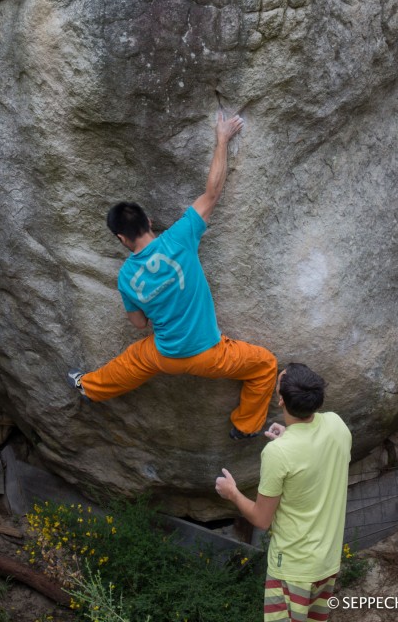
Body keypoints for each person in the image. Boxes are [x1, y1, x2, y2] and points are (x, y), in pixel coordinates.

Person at [67, 112, 277, 439]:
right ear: (149, 221)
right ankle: (245, 427)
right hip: (209, 353)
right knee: (264, 365)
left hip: (165, 356)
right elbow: (212, 193)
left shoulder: (126, 278)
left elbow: (138, 324)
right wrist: (222, 138)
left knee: (131, 361)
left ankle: (88, 387)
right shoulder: (181, 237)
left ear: (121, 239)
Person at [215, 363, 351, 622]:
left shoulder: (278, 453)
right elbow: (315, 457)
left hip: (293, 568)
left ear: (280, 400)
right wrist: (290, 437)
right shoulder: (338, 425)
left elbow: (261, 519)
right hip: (327, 563)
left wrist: (231, 492)